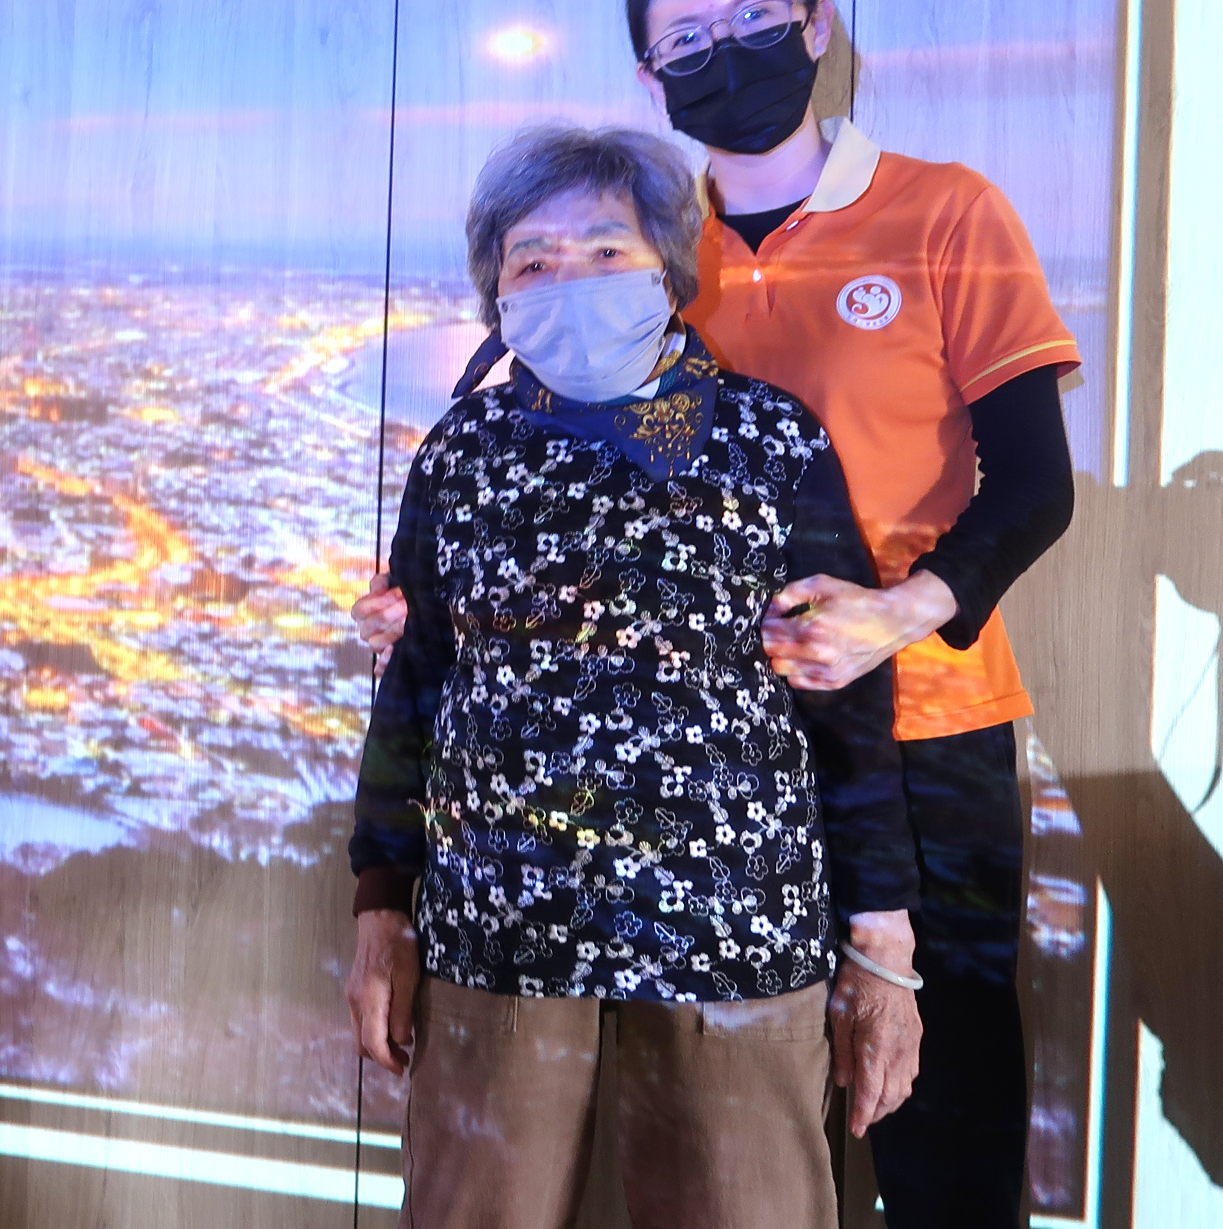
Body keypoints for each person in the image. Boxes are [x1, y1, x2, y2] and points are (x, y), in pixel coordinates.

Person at [353, 0, 1079, 1228]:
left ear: (817, 25)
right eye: (685, 37)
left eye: (754, 19)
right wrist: (446, 597)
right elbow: (575, 449)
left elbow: (1033, 482)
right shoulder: (640, 227)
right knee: (720, 1130)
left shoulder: (940, 210)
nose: (724, 51)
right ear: (651, 75)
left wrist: (895, 614)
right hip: (688, 777)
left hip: (918, 721)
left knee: (938, 1111)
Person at [345, 124, 924, 1229]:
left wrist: (884, 945)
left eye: (606, 250)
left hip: (733, 932)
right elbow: (414, 687)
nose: (569, 278)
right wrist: (382, 907)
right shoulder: (462, 453)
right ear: (496, 295)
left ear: (668, 264)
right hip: (496, 926)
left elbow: (849, 706)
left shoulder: (768, 440)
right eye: (532, 260)